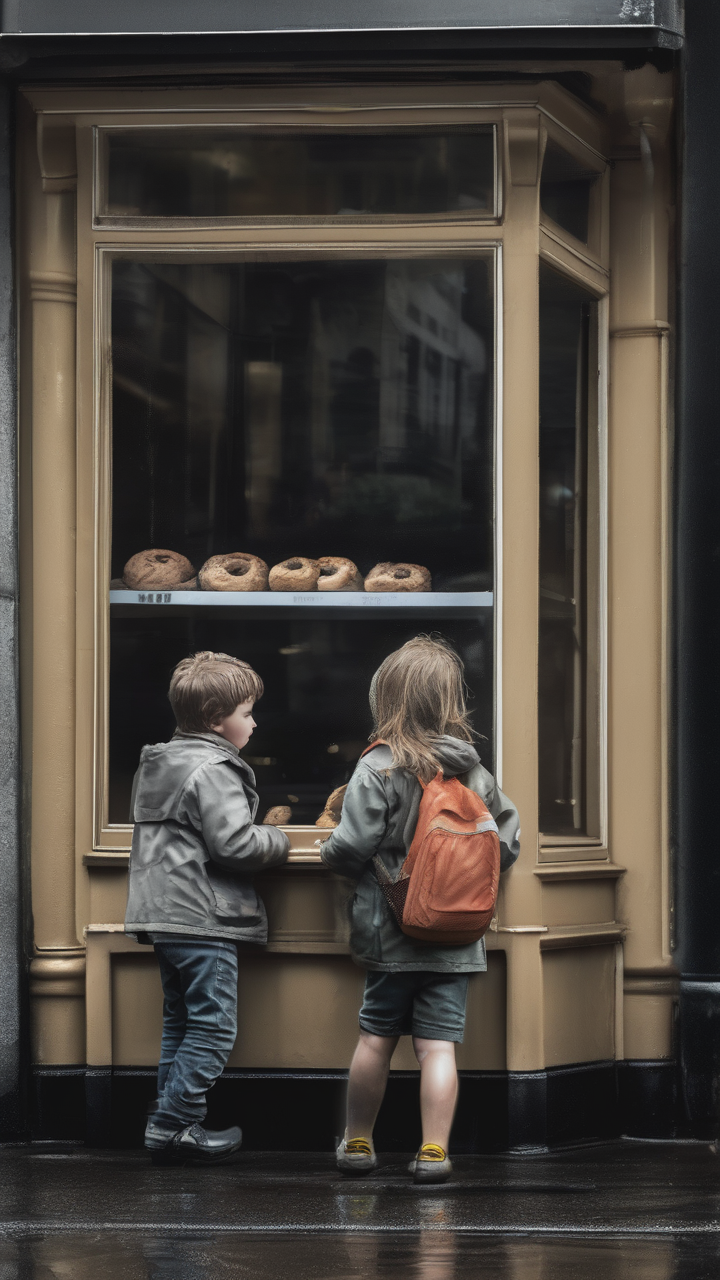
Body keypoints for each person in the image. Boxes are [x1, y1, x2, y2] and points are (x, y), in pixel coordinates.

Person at [321, 636, 520, 1184]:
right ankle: (434, 1151)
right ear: (451, 701)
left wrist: (325, 849)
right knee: (438, 1050)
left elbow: (351, 847)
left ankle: (358, 1144)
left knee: (374, 1042)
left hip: (390, 933)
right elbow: (506, 845)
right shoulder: (473, 773)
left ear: (385, 699)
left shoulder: (377, 767)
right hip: (456, 937)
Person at [125, 650, 290, 1165]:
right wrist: (280, 839)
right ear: (218, 720)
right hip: (202, 915)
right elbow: (236, 845)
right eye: (246, 712)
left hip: (161, 912)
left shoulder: (160, 761)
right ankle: (174, 1127)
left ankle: (171, 1120)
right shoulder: (215, 769)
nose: (254, 721)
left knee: (181, 1019)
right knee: (214, 1024)